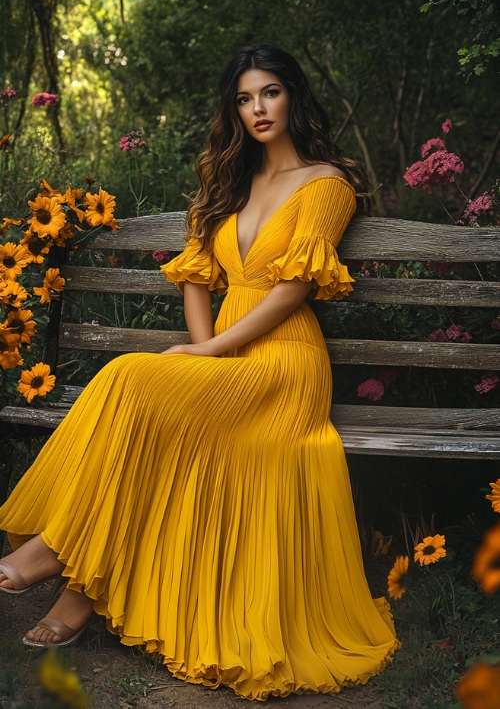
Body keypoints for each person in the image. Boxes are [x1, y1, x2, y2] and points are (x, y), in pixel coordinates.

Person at [0, 43, 399, 701]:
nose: (257, 109)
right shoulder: (229, 182)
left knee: (130, 378)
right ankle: (76, 587)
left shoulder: (327, 185)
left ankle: (58, 553)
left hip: (286, 364)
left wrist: (209, 357)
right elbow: (195, 281)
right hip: (228, 359)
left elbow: (291, 291)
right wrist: (206, 353)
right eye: (244, 98)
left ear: (292, 95)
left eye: (269, 92)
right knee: (157, 411)